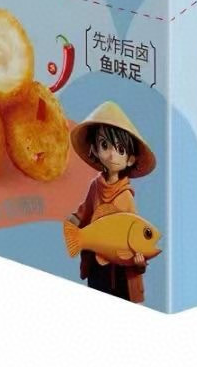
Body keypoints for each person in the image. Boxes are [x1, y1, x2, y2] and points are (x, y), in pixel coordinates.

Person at [65, 101, 157, 304]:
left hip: (119, 272)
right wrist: (74, 221)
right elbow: (84, 212)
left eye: (121, 149)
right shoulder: (95, 186)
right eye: (105, 145)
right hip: (97, 266)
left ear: (130, 159)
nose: (112, 154)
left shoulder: (126, 197)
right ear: (95, 149)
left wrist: (139, 262)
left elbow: (134, 239)